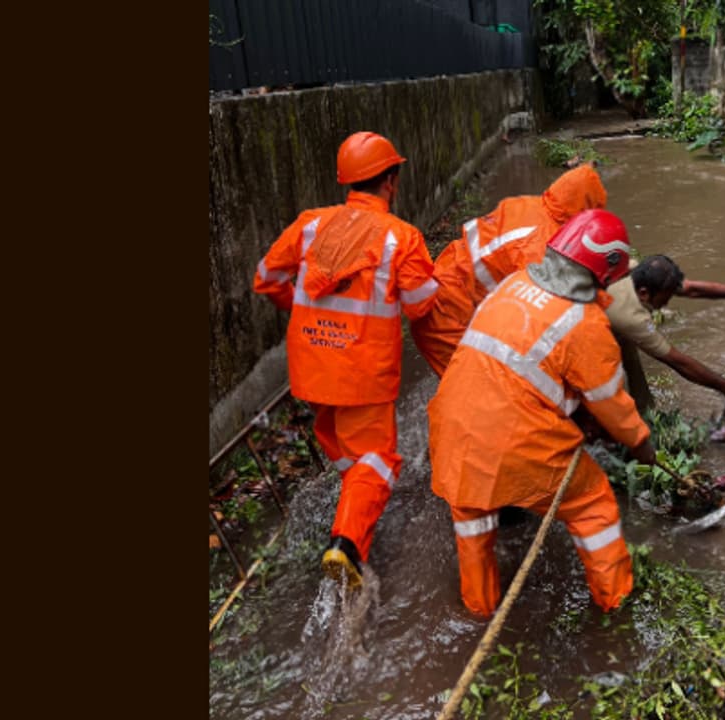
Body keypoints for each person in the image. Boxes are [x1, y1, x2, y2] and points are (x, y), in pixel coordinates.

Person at [426, 209, 658, 617]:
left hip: (451, 431)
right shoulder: (585, 323)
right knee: (593, 504)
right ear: (603, 272)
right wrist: (643, 446)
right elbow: (614, 408)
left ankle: (479, 611)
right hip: (516, 441)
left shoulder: (512, 284)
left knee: (473, 521)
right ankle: (616, 602)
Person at [252, 131, 439, 590]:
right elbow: (420, 304)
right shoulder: (402, 237)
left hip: (312, 366)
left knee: (340, 447)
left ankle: (353, 513)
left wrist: (302, 311)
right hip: (363, 375)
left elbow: (266, 278)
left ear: (346, 182)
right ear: (390, 181)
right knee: (376, 459)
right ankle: (346, 544)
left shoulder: (311, 225)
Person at [410, 164, 608, 377]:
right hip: (447, 313)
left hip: (445, 290)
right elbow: (543, 320)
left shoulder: (530, 206)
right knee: (477, 390)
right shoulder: (540, 247)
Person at [605, 254, 725, 411]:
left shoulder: (635, 272)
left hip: (609, 313)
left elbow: (692, 289)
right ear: (643, 294)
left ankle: (645, 411)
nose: (667, 303)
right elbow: (678, 362)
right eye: (665, 298)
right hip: (594, 330)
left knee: (635, 376)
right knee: (612, 386)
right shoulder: (632, 319)